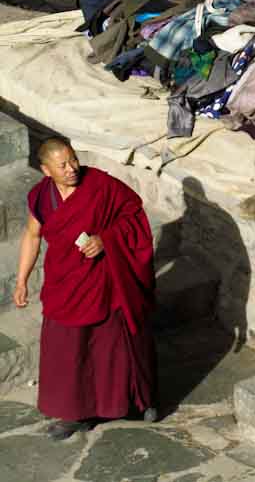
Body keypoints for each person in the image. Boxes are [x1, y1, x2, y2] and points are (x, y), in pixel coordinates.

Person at [14, 138, 157, 440]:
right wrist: (22, 279)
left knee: (114, 344)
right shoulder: (41, 197)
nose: (72, 169)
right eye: (62, 165)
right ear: (46, 170)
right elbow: (32, 235)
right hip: (65, 282)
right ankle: (74, 413)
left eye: (74, 160)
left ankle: (131, 400)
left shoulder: (101, 186)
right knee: (68, 350)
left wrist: (106, 240)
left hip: (105, 279)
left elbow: (133, 217)